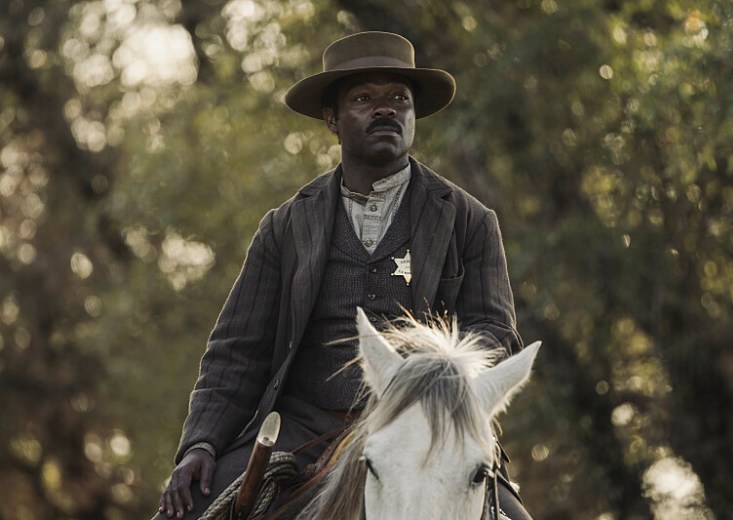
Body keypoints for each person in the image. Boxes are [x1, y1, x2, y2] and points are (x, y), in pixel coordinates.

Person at [155, 31, 531, 520]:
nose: (385, 109)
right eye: (363, 99)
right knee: (182, 512)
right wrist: (199, 444)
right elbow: (236, 352)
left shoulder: (471, 220)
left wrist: (431, 383)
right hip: (303, 428)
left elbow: (494, 337)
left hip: (425, 430)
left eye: (399, 98)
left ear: (414, 115)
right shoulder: (284, 227)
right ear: (332, 119)